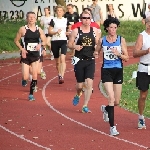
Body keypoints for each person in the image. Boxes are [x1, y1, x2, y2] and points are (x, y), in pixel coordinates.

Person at [94, 17, 129, 135]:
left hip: (118, 70)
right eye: (111, 28)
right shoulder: (102, 40)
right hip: (106, 70)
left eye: (115, 28)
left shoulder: (121, 40)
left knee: (117, 101)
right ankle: (112, 127)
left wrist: (118, 54)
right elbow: (96, 51)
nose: (113, 30)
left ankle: (106, 109)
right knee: (111, 98)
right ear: (107, 28)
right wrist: (95, 53)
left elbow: (127, 57)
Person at [68, 11, 99, 113]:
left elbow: (98, 44)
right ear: (81, 19)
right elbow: (69, 44)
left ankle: (85, 105)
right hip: (79, 60)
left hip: (90, 60)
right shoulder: (76, 31)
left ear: (91, 20)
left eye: (88, 18)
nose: (86, 20)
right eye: (84, 18)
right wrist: (74, 46)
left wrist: (96, 50)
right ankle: (78, 94)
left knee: (89, 83)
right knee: (80, 86)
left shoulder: (94, 31)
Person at [14, 11, 46, 101]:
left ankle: (31, 94)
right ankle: (23, 80)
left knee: (35, 75)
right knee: (25, 76)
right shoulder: (23, 29)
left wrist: (41, 45)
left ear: (35, 19)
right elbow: (16, 40)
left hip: (35, 55)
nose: (31, 19)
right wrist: (22, 49)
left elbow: (44, 41)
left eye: (33, 17)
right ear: (27, 19)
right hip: (26, 55)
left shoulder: (39, 29)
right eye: (29, 17)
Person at [133, 16, 150, 129]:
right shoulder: (142, 36)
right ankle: (141, 117)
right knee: (143, 95)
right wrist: (147, 51)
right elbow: (135, 53)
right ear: (147, 23)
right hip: (144, 68)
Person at [48, 5, 71, 84]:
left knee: (62, 58)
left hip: (63, 40)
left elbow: (70, 28)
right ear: (56, 12)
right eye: (58, 11)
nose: (59, 12)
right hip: (55, 41)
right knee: (57, 62)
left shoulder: (65, 20)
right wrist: (55, 32)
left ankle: (62, 76)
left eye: (61, 11)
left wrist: (68, 32)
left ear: (63, 12)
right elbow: (49, 31)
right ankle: (59, 74)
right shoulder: (53, 20)